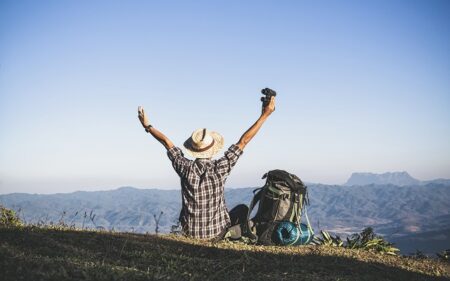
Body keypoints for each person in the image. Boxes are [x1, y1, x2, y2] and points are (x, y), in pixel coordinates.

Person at [138, 95, 275, 240]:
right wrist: (265, 115)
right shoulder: (221, 167)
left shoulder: (184, 167)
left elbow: (166, 142)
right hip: (217, 234)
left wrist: (147, 126)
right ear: (213, 148)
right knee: (242, 209)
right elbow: (244, 141)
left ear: (193, 148)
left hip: (189, 233)